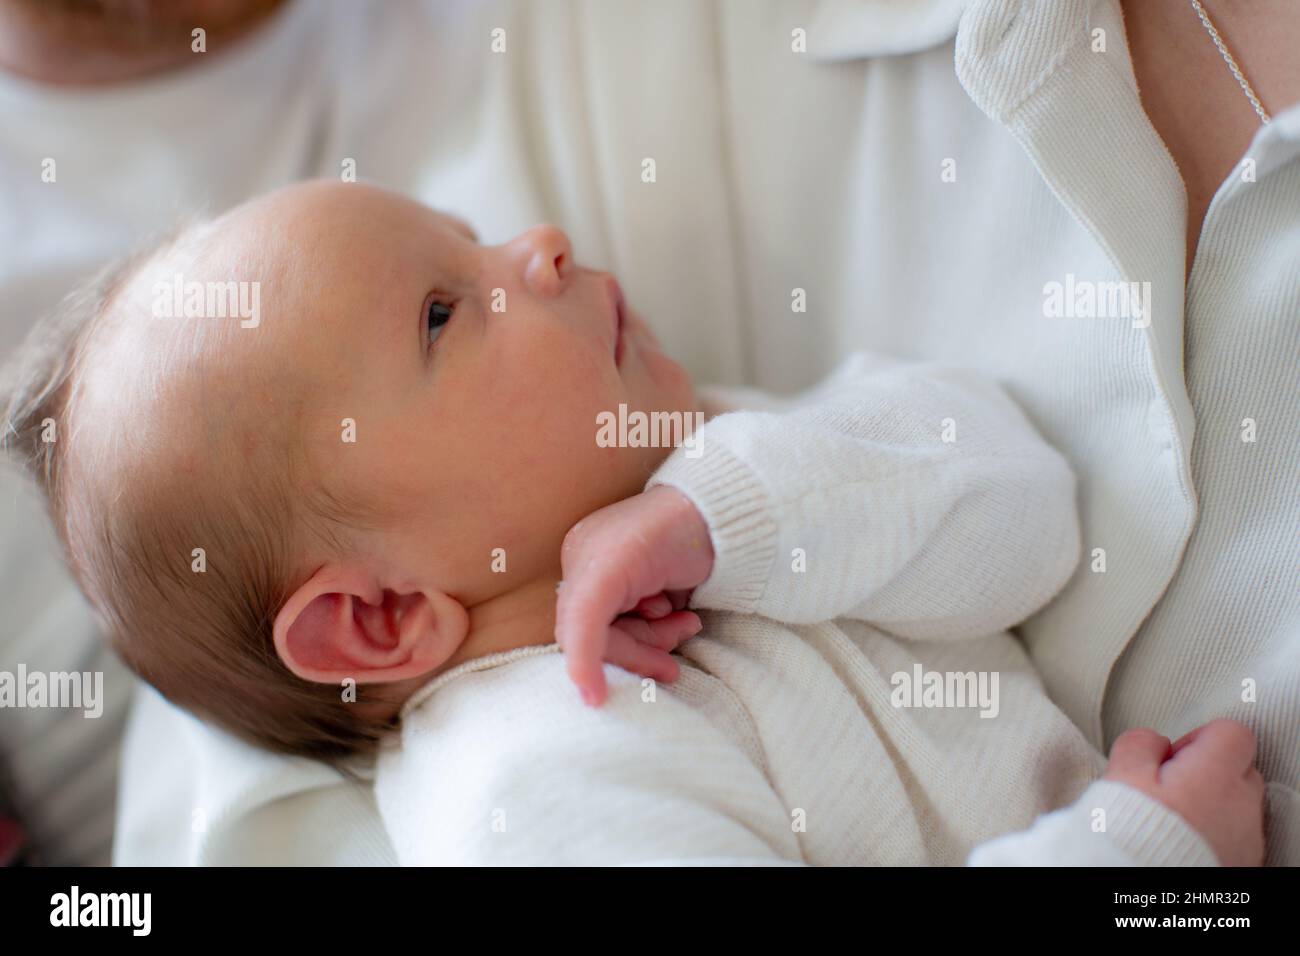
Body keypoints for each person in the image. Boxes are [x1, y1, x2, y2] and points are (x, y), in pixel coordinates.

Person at [1, 181, 1264, 864]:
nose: (538, 246)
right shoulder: (536, 780)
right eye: (445, 310)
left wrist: (729, 518)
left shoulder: (714, 463)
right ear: (377, 613)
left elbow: (1026, 509)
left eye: (470, 234)